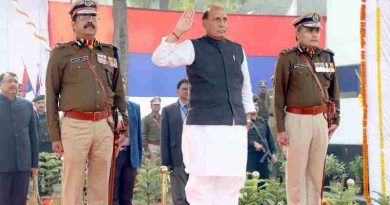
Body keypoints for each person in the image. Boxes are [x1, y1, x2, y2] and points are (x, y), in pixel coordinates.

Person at [152, 6, 255, 205]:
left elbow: (245, 86)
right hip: (203, 128)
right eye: (217, 19)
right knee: (202, 184)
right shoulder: (193, 46)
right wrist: (178, 32)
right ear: (204, 23)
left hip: (234, 128)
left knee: (232, 182)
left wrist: (248, 116)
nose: (222, 23)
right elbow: (159, 58)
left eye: (225, 19)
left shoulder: (237, 49)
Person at [45, 0, 128, 204]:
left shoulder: (109, 52)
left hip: (104, 125)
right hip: (75, 125)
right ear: (73, 23)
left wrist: (124, 126)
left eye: (93, 17)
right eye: (83, 17)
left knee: (100, 184)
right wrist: (55, 135)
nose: (89, 21)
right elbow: (51, 96)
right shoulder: (61, 53)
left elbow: (119, 92)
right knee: (72, 182)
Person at [273, 12, 340, 205]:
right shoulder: (288, 58)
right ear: (298, 32)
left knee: (316, 174)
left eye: (317, 30)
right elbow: (278, 96)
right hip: (296, 120)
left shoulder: (327, 57)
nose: (315, 34)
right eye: (310, 30)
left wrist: (336, 120)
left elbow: (334, 90)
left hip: (320, 120)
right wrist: (280, 129)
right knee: (296, 175)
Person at [0, 71, 38, 205]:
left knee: (20, 201)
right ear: (0, 85)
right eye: (9, 81)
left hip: (23, 165)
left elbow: (33, 136)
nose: (13, 84)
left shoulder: (27, 106)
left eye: (15, 82)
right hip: (2, 166)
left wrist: (34, 163)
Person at [160, 79, 190, 205]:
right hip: (177, 158)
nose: (188, 91)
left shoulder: (199, 110)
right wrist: (166, 162)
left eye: (190, 89)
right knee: (179, 196)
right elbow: (164, 137)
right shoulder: (168, 110)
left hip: (196, 158)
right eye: (184, 89)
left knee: (195, 195)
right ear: (177, 92)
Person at [113, 99, 143, 205]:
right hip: (115, 154)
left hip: (131, 154)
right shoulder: (110, 104)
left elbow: (139, 135)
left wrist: (138, 161)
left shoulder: (134, 107)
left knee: (127, 196)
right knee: (113, 195)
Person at [247, 96, 277, 181]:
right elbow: (239, 139)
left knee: (264, 182)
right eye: (253, 105)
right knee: (251, 182)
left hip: (263, 157)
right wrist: (252, 143)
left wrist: (273, 153)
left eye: (257, 105)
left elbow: (270, 139)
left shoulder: (263, 122)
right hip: (250, 157)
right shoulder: (244, 122)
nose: (255, 107)